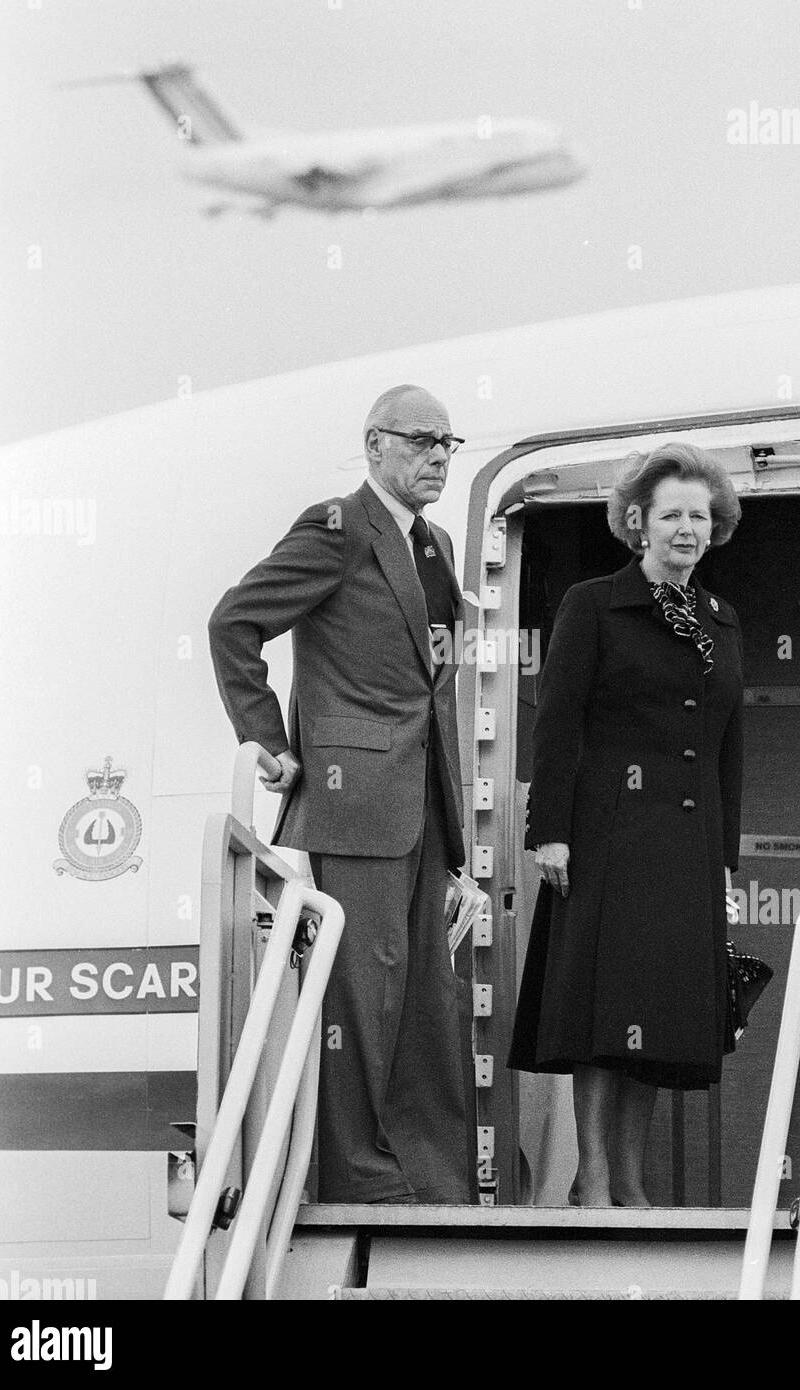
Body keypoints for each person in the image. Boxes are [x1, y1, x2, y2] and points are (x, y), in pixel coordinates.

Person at [208, 384, 471, 1204]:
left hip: (425, 802)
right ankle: (361, 1176)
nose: (437, 456)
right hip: (352, 797)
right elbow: (233, 622)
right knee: (362, 990)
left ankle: (432, 1179)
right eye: (422, 440)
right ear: (374, 444)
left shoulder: (435, 548)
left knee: (428, 995)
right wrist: (272, 745)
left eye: (448, 444)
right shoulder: (336, 529)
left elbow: (431, 689)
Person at [508, 442, 744, 1207]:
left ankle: (632, 1181)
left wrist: (724, 860)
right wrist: (550, 829)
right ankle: (594, 1179)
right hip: (606, 834)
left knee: (659, 1019)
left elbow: (726, 745)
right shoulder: (592, 603)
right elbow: (558, 722)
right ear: (638, 523)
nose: (687, 528)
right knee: (601, 1013)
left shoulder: (721, 619)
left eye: (699, 516)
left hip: (686, 846)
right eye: (671, 514)